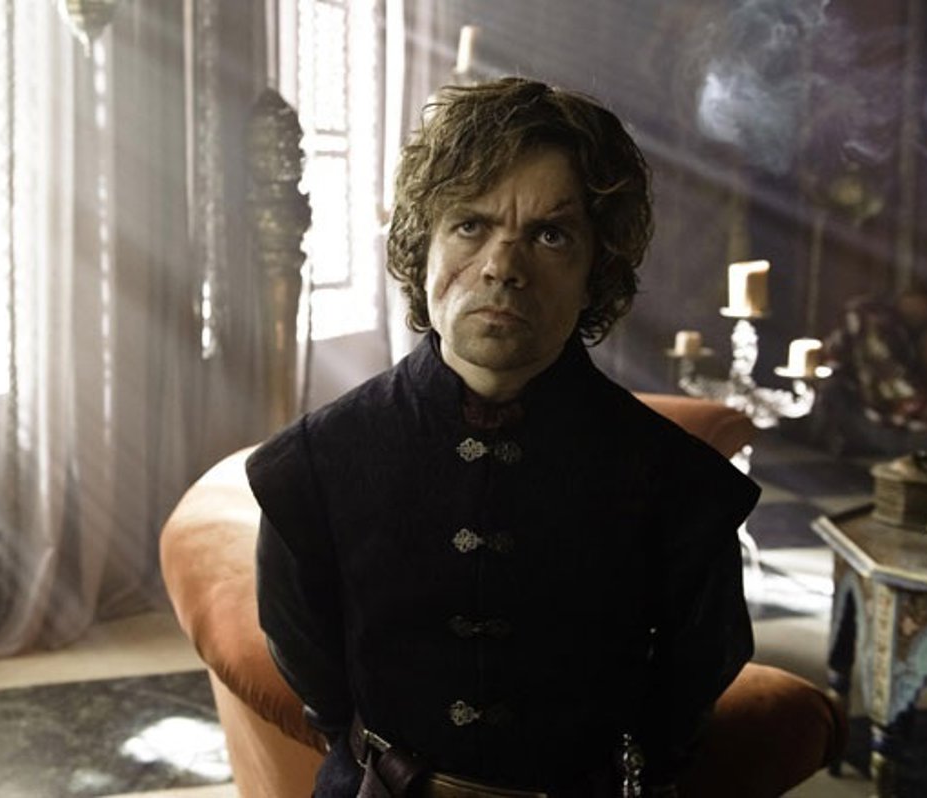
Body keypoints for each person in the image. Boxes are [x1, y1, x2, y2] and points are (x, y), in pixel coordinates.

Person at [247, 77, 759, 797]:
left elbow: (695, 679)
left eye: (550, 235)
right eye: (470, 225)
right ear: (422, 245)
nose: (502, 267)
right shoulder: (310, 466)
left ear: (595, 271)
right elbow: (315, 675)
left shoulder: (680, 484)